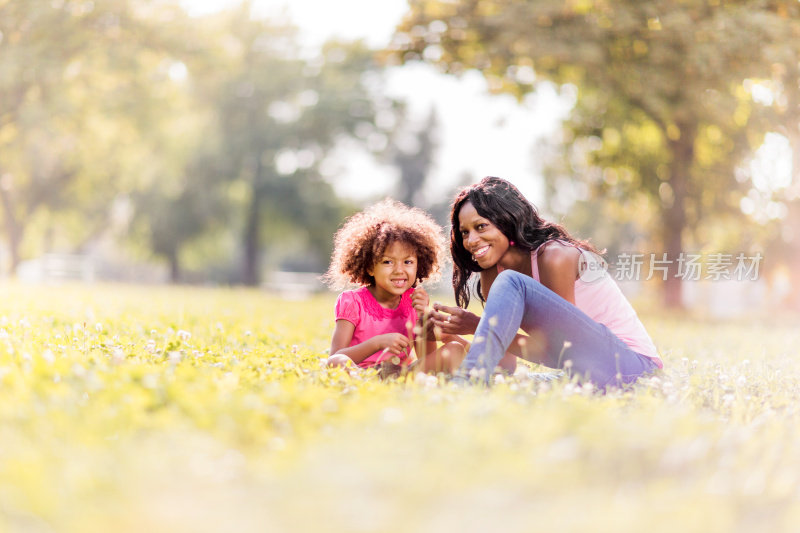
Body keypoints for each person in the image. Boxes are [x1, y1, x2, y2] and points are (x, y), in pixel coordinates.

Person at [430, 177, 662, 387]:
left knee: (511, 281)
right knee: (506, 384)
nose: (471, 240)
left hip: (633, 367)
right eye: (464, 232)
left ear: (507, 220)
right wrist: (458, 335)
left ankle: (468, 383)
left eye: (481, 227)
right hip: (585, 373)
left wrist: (475, 325)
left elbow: (563, 353)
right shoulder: (493, 272)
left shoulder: (555, 257)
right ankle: (467, 380)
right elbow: (506, 366)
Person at [324, 199, 461, 373]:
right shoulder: (352, 301)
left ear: (419, 264)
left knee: (455, 349)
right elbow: (335, 355)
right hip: (362, 372)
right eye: (388, 262)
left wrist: (423, 318)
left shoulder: (413, 302)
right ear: (369, 267)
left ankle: (414, 382)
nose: (399, 270)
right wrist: (378, 343)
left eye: (408, 261)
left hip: (401, 373)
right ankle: (368, 382)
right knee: (337, 361)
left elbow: (427, 358)